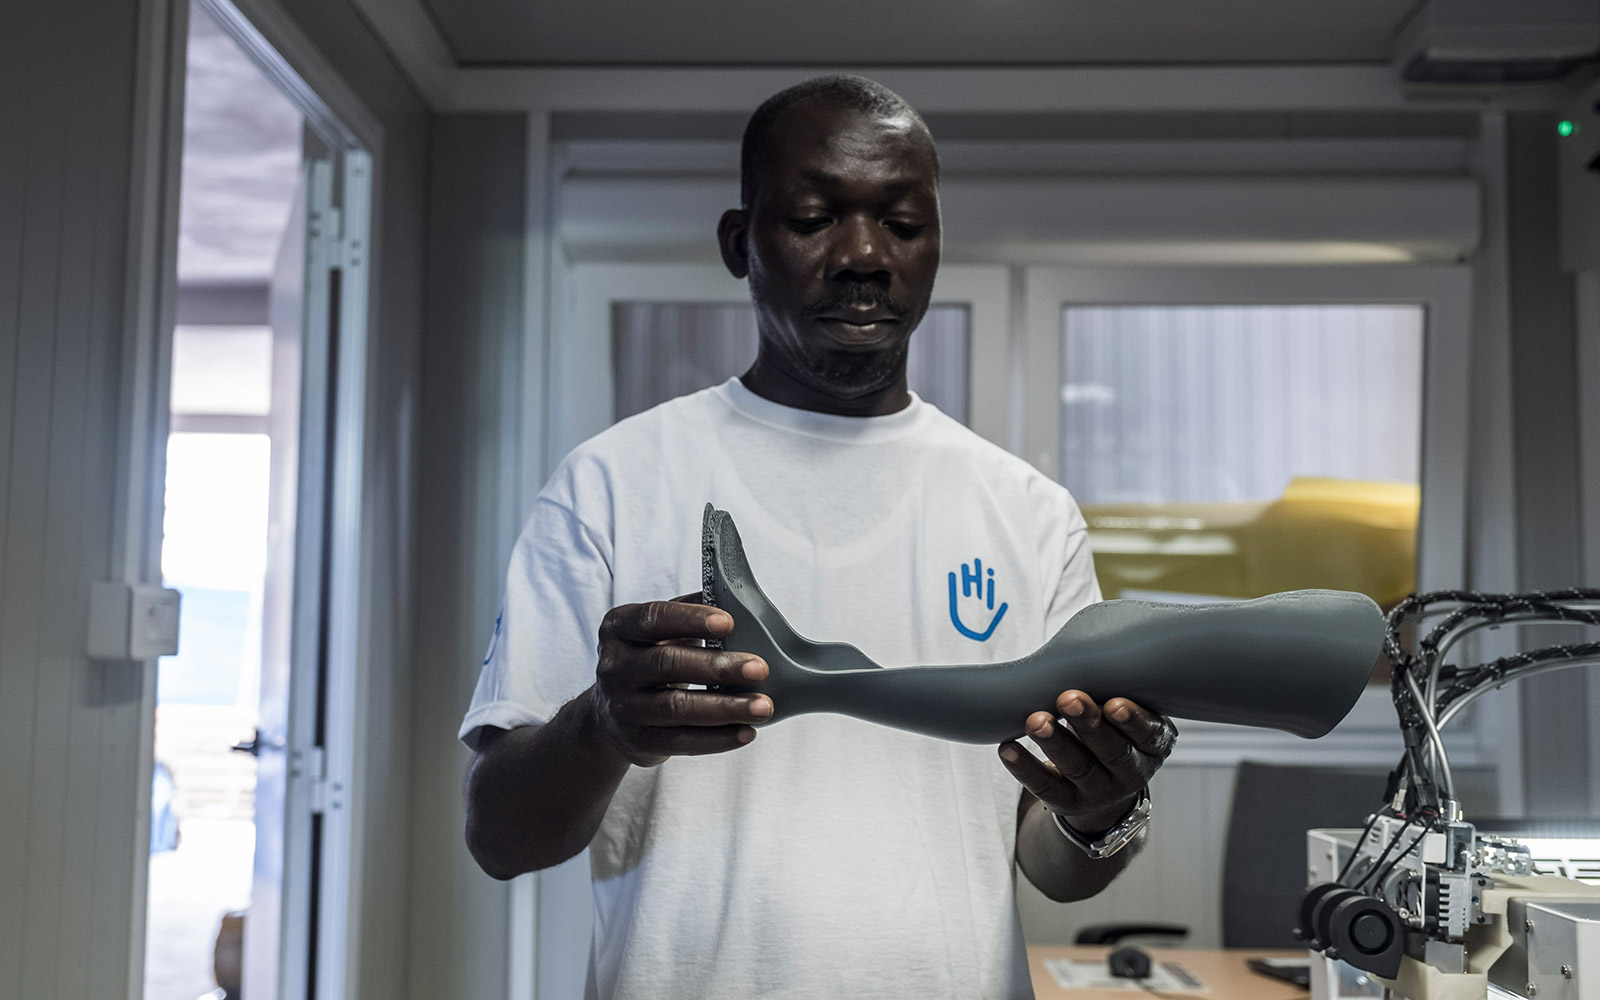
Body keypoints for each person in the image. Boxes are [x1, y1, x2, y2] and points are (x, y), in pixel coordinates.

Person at [461, 74, 1178, 999]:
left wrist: (1103, 806)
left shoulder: (1027, 510)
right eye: (812, 218)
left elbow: (1050, 863)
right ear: (738, 243)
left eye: (904, 225)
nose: (864, 254)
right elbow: (499, 839)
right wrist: (603, 725)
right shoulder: (612, 483)